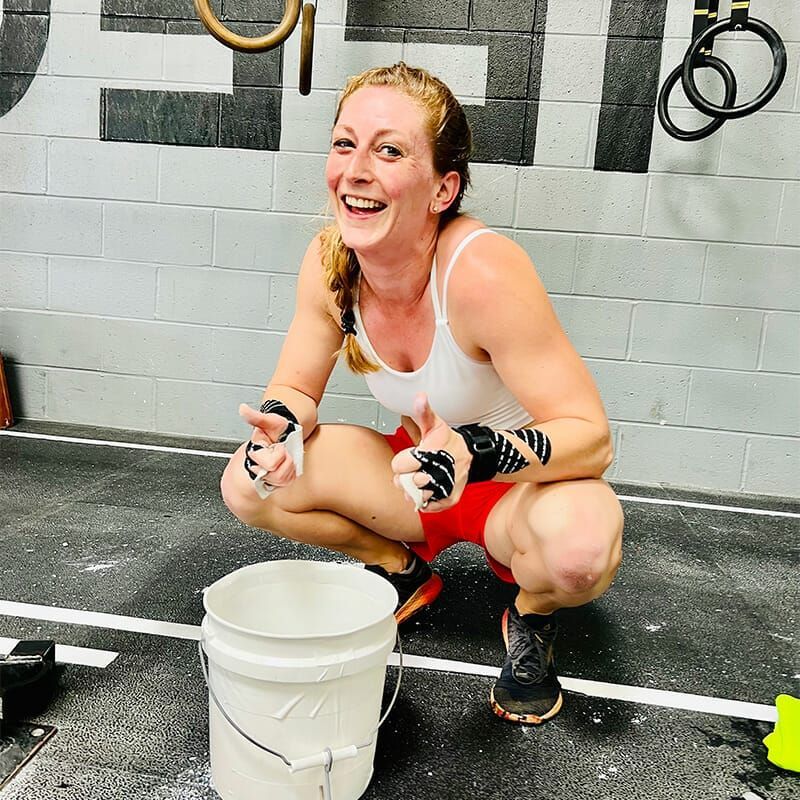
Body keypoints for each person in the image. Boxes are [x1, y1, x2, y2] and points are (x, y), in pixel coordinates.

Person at [221, 62, 624, 725]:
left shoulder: (483, 273)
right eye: (345, 143)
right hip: (418, 474)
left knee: (579, 552)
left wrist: (474, 453)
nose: (354, 170)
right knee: (248, 482)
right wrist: (280, 431)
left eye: (389, 150)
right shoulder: (330, 263)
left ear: (443, 188)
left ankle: (531, 613)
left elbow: (592, 438)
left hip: (520, 489)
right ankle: (404, 572)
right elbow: (294, 386)